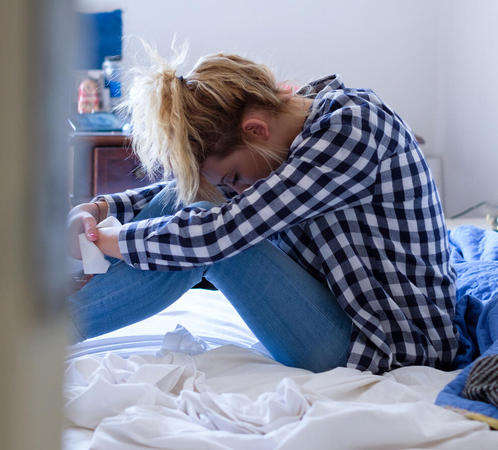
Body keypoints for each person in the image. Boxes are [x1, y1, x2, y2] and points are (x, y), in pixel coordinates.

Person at [66, 46, 459, 374]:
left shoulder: (352, 129)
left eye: (235, 176)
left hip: (387, 346)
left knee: (216, 237)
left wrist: (107, 242)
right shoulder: (295, 130)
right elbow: (185, 195)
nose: (239, 190)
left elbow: (217, 234)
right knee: (193, 206)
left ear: (255, 131)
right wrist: (101, 208)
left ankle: (46, 332)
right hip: (345, 317)